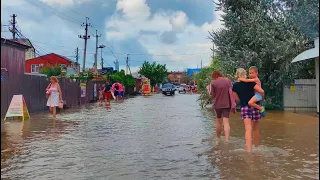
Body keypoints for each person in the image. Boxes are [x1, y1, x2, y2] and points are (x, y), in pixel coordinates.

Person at [232, 68, 264, 152]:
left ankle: (249, 151)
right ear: (245, 74)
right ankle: (256, 148)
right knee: (256, 128)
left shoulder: (234, 86)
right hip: (255, 107)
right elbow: (261, 91)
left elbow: (236, 99)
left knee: (248, 129)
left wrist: (242, 98)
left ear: (237, 75)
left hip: (245, 107)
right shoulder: (251, 83)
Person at [209, 70, 236, 142]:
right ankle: (227, 139)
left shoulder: (213, 82)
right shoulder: (227, 80)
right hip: (227, 104)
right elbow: (231, 92)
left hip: (217, 104)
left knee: (218, 121)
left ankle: (218, 138)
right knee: (226, 121)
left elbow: (212, 95)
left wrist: (208, 89)